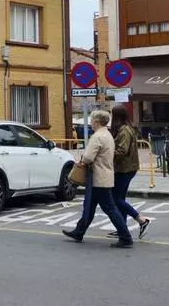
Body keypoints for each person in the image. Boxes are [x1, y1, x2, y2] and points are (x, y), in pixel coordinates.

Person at [62, 110, 134, 248]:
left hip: (97, 177)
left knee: (110, 208)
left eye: (91, 120)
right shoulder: (107, 135)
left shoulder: (97, 137)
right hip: (105, 175)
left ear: (96, 121)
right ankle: (79, 232)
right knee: (89, 207)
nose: (90, 123)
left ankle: (126, 237)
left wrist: (82, 159)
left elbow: (88, 157)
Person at [109, 104, 151, 239]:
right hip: (127, 168)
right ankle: (122, 228)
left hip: (124, 169)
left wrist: (107, 154)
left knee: (116, 199)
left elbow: (122, 150)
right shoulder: (126, 128)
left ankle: (141, 220)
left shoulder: (125, 131)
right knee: (120, 199)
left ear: (116, 116)